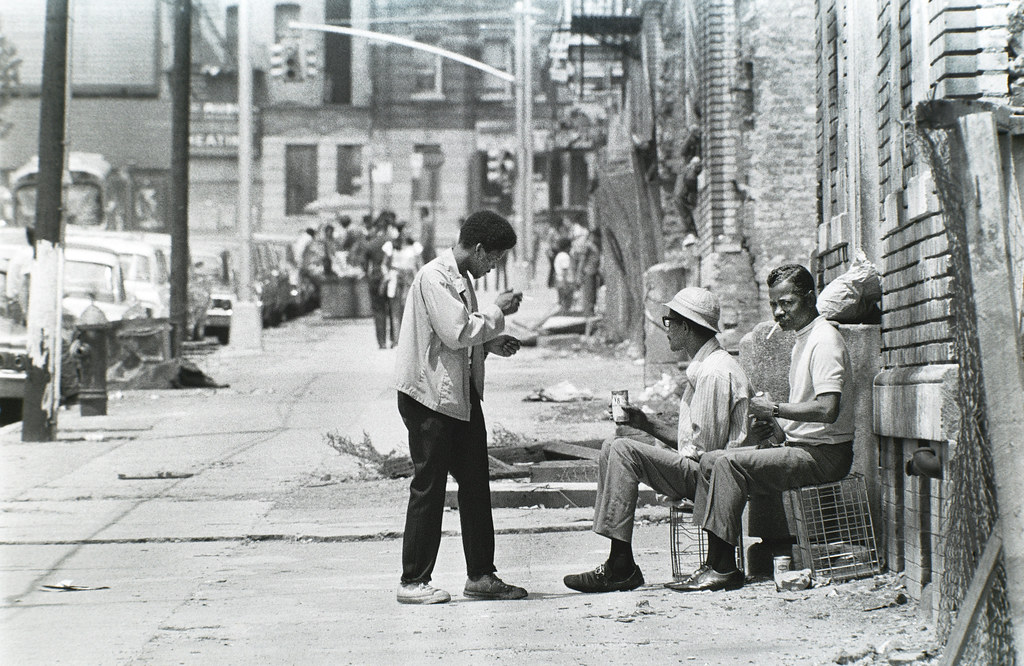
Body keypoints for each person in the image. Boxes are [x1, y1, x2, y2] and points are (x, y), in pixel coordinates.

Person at [672, 264, 855, 593]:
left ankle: (724, 567)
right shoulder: (802, 340)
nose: (778, 312)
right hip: (802, 448)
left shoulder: (824, 340)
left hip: (825, 456)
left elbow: (829, 410)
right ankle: (714, 560)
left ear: (810, 298)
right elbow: (802, 419)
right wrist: (772, 423)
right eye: (773, 304)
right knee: (714, 459)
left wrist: (774, 408)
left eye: (787, 303)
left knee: (727, 464)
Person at [563, 287, 754, 593]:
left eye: (670, 322)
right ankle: (619, 561)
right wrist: (647, 424)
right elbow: (695, 440)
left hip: (714, 478)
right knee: (614, 445)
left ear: (687, 327)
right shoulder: (707, 367)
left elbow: (704, 453)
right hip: (704, 469)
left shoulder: (715, 373)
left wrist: (662, 465)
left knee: (623, 450)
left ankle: (620, 567)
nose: (667, 330)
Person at [393, 210, 526, 605]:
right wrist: (497, 312)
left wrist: (487, 345)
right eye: (494, 258)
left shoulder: (460, 279)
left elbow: (458, 335)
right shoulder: (435, 276)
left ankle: (482, 575)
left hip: (459, 396)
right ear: (480, 248)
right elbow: (455, 332)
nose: (493, 266)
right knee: (429, 487)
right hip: (430, 398)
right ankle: (413, 580)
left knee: (474, 483)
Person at [364, 212, 395, 348]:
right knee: (393, 310)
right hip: (391, 278)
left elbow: (364, 263)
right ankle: (394, 339)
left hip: (375, 278)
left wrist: (367, 273)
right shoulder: (392, 241)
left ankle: (381, 342)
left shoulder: (371, 243)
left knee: (378, 310)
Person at [552, 238, 575, 313]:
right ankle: (565, 314)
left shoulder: (559, 255)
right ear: (567, 247)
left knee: (562, 301)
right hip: (565, 281)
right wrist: (566, 284)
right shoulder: (565, 256)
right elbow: (565, 271)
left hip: (559, 280)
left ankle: (563, 313)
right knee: (567, 302)